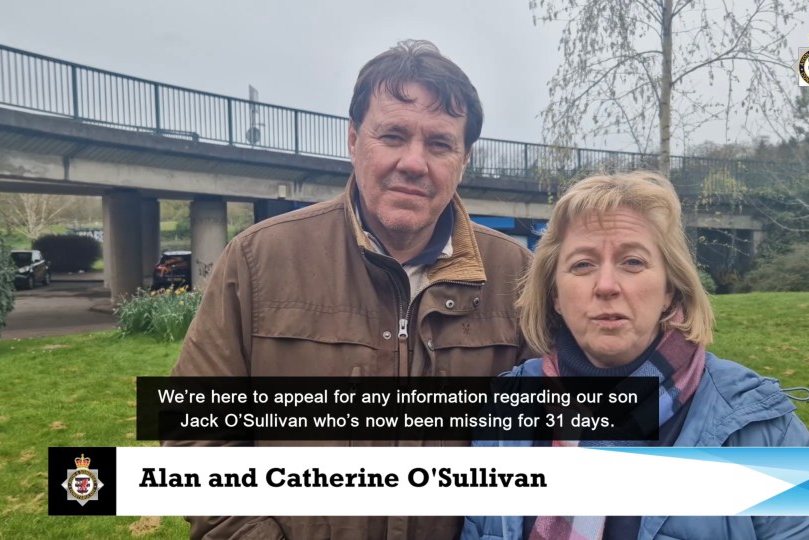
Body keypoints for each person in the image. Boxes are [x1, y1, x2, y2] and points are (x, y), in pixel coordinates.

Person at [168, 40, 536, 539]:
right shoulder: (259, 261)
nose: (413, 161)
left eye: (439, 144)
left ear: (463, 161)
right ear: (353, 140)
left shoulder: (517, 277)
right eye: (392, 135)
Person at [462, 172, 809, 540]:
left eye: (633, 262)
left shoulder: (764, 428)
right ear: (555, 296)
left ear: (670, 289)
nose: (606, 286)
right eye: (582, 264)